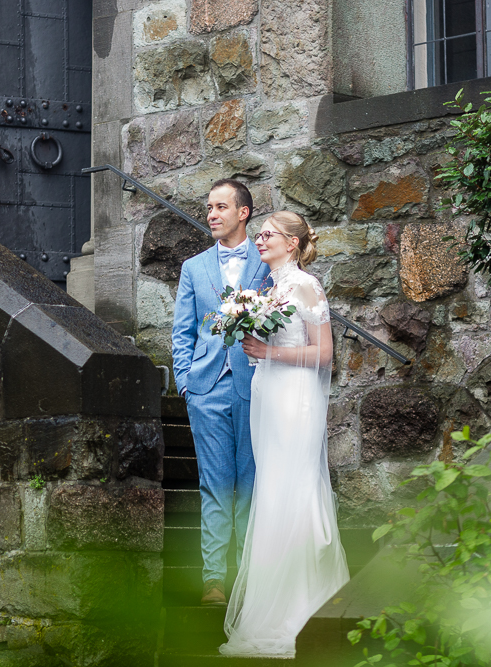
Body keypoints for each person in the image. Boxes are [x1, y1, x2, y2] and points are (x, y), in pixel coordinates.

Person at [219, 211, 349, 657]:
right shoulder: (268, 290)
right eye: (259, 235)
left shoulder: (305, 286)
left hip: (295, 397)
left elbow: (325, 352)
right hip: (268, 394)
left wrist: (268, 351)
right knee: (272, 489)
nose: (259, 240)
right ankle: (271, 603)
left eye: (268, 234)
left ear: (292, 243)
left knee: (292, 489)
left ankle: (301, 605)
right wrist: (257, 351)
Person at [171, 179, 271, 606]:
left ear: (243, 212)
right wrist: (185, 382)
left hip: (256, 388)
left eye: (220, 207)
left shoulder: (268, 263)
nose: (211, 214)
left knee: (251, 484)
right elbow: (182, 331)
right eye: (208, 207)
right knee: (215, 484)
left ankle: (249, 577)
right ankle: (214, 579)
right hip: (207, 390)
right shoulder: (193, 268)